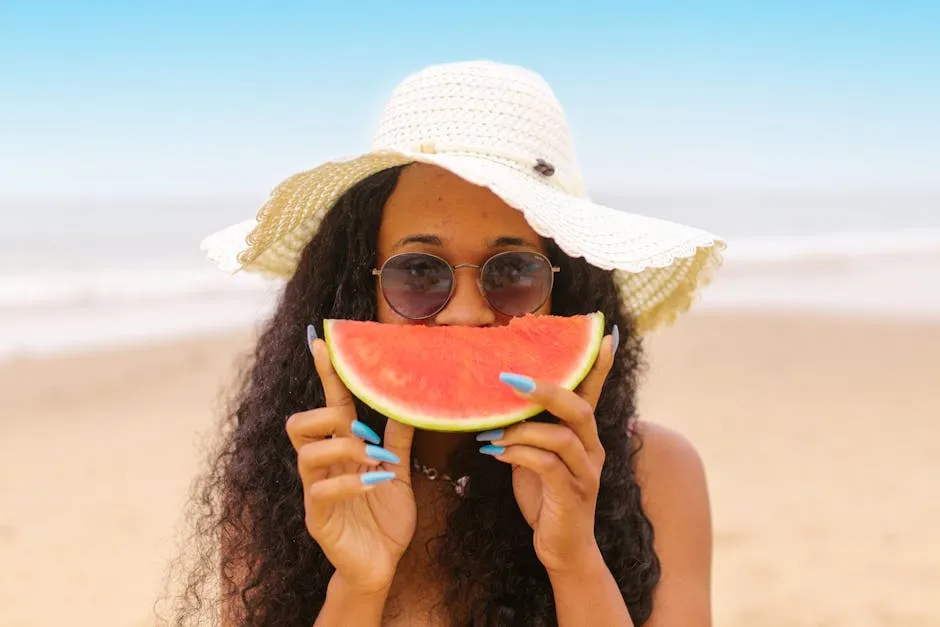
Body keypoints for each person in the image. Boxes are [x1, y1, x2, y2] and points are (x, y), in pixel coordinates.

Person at [173, 60, 725, 626]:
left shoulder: (657, 472)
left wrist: (574, 559)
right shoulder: (295, 479)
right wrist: (359, 584)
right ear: (358, 291)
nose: (464, 313)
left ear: (568, 286)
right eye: (418, 272)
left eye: (513, 273)